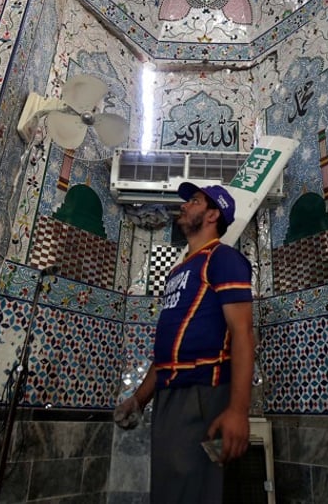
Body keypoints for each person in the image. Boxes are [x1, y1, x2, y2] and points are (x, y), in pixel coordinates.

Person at [114, 181, 254, 503]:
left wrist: (237, 409)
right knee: (168, 492)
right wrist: (139, 400)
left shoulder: (223, 259)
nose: (185, 206)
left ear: (212, 214)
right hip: (170, 396)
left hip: (202, 394)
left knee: (193, 492)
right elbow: (168, 352)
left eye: (194, 201)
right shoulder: (178, 272)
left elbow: (243, 333)